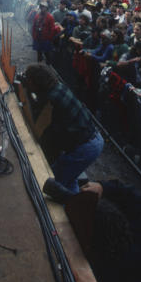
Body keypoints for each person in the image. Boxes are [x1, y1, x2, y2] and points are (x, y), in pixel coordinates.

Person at [24, 64, 103, 203]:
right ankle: (76, 207)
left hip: (86, 146)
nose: (28, 84)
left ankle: (75, 207)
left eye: (29, 81)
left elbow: (42, 126)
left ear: (37, 81)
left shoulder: (51, 98)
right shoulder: (58, 87)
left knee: (54, 181)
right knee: (69, 178)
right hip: (94, 140)